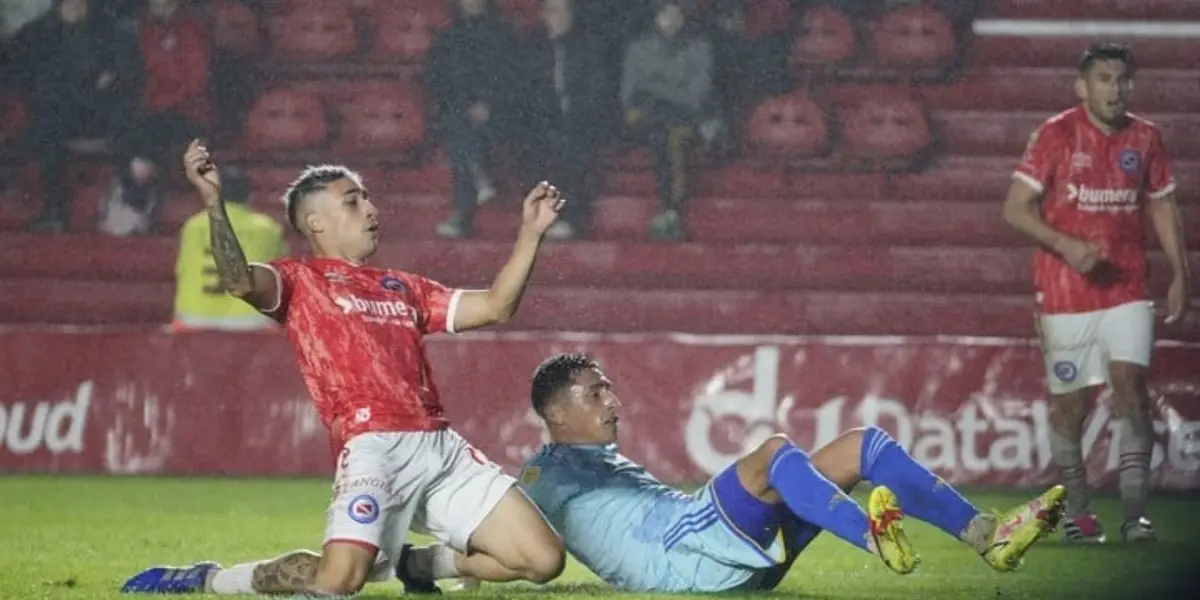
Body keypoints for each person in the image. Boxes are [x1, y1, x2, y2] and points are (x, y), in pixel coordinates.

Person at [121, 140, 568, 596]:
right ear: (316, 222)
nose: (370, 209)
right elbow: (237, 279)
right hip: (373, 445)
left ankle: (417, 565)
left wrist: (531, 234)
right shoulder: (299, 281)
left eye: (367, 198)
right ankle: (212, 579)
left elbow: (495, 306)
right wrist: (214, 203)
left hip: (438, 446)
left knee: (543, 559)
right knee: (338, 582)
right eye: (353, 202)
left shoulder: (403, 286)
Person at [506, 353, 1065, 593]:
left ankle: (987, 536)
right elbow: (503, 532)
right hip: (685, 557)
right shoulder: (541, 477)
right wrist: (444, 560)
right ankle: (873, 537)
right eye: (596, 392)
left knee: (861, 446)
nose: (614, 401)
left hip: (724, 557)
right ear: (555, 412)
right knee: (773, 453)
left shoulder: (598, 461)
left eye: (610, 388)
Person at [1001, 42, 1191, 544]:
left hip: (1126, 288)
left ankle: (1134, 515)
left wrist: (1179, 273)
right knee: (1070, 406)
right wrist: (1066, 244)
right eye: (1104, 79)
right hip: (1063, 292)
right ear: (1081, 86)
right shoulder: (1054, 135)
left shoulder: (1146, 137)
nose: (1115, 88)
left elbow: (1163, 209)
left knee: (1131, 388)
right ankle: (1079, 513)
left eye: (1123, 79)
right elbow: (1016, 209)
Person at [171, 168, 284, 331]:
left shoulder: (193, 226)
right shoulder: (267, 228)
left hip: (194, 319)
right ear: (248, 195)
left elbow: (180, 270)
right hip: (251, 322)